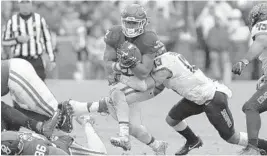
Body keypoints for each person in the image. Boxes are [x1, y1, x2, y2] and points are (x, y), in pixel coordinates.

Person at [119, 51, 267, 155]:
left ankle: (264, 146)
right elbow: (154, 89)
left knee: (231, 137)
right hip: (196, 97)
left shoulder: (163, 68)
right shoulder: (164, 60)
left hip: (212, 98)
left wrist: (122, 78)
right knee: (172, 119)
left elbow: (145, 86)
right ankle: (193, 141)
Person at [102, 3, 168, 153]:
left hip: (150, 84)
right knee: (131, 124)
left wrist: (129, 63)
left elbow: (144, 73)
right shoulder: (115, 34)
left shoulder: (149, 38)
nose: (131, 26)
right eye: (128, 22)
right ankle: (157, 146)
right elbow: (107, 64)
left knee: (116, 96)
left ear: (143, 23)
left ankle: (123, 136)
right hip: (128, 81)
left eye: (134, 23)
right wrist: (120, 68)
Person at [1, 58, 73, 133]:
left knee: (55, 111)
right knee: (43, 113)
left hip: (15, 73)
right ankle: (83, 109)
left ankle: (81, 111)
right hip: (15, 72)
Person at [232, 3, 267, 155]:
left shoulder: (262, 26)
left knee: (251, 107)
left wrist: (244, 61)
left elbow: (261, 42)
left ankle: (252, 148)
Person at [2, 0, 55, 81]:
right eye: (22, 2)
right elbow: (4, 42)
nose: (25, 5)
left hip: (36, 60)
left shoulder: (39, 19)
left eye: (27, 2)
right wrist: (17, 39)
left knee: (39, 88)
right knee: (19, 88)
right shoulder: (12, 21)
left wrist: (51, 59)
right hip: (19, 60)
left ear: (31, 4)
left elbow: (47, 39)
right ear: (19, 4)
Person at [1, 115, 107, 156]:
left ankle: (86, 123)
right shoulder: (6, 137)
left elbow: (58, 153)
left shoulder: (33, 150)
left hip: (62, 145)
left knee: (102, 155)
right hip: (49, 140)